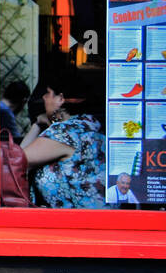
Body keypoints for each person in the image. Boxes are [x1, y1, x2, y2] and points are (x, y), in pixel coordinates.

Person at [20, 73, 106, 208]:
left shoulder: (64, 132)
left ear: (60, 99)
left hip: (74, 222)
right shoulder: (89, 124)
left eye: (48, 93)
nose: (44, 97)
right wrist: (39, 122)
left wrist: (36, 125)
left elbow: (17, 160)